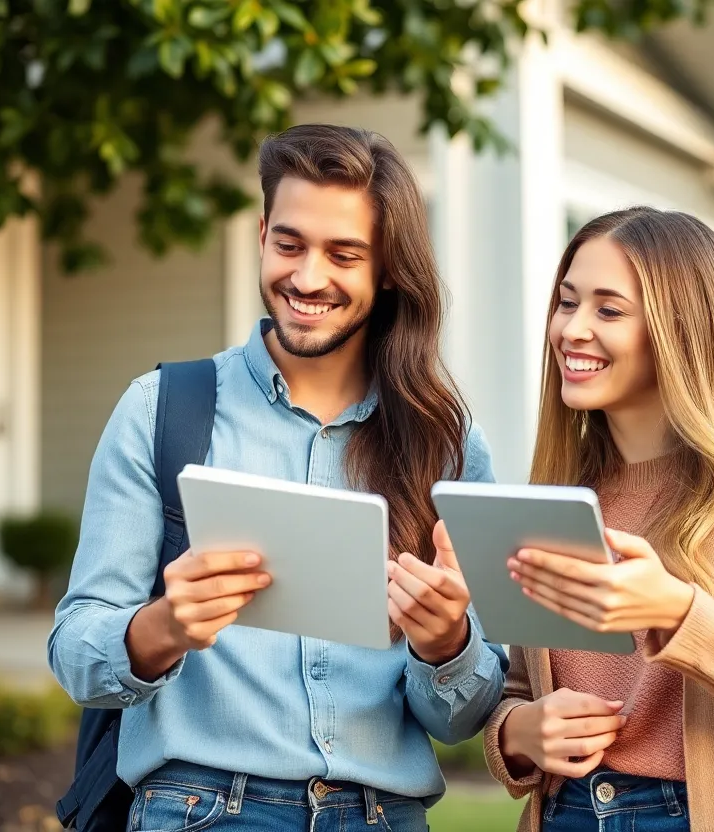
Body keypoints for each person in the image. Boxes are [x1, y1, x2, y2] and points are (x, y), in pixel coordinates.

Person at [48, 123, 507, 832]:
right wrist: (165, 626)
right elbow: (77, 650)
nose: (307, 277)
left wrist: (445, 642)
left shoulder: (447, 445)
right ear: (262, 233)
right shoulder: (161, 410)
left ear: (387, 267)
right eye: (289, 244)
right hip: (203, 811)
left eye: (343, 254)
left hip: (382, 815)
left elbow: (463, 717)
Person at [480, 207, 714, 832]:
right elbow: (523, 688)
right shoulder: (564, 489)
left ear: (679, 327)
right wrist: (519, 733)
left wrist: (677, 612)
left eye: (608, 310)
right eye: (567, 302)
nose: (572, 329)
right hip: (569, 813)